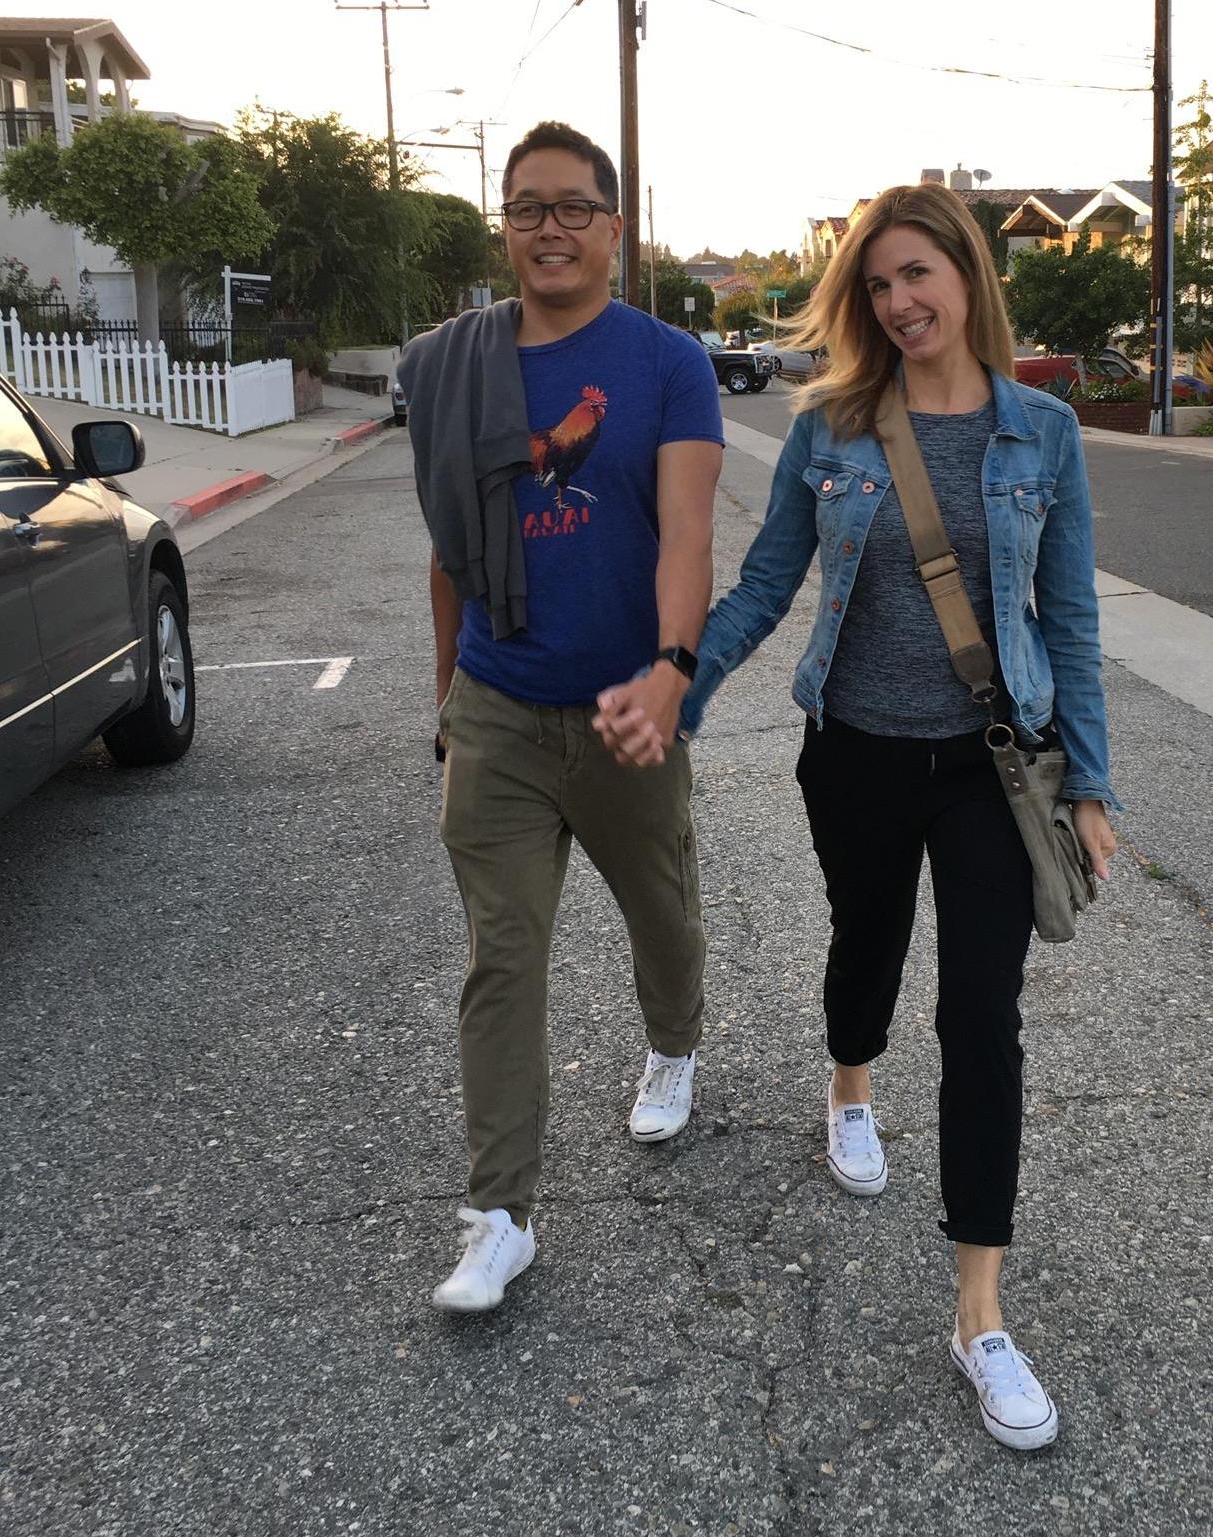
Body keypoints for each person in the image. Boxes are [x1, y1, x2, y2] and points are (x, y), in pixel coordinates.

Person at [595, 182, 1118, 1450]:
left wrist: (1091, 780)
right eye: (877, 284)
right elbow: (771, 576)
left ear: (966, 276)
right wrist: (681, 679)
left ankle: (978, 1312)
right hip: (858, 752)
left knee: (981, 1016)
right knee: (866, 942)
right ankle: (847, 1086)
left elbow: (1072, 618)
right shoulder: (833, 425)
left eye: (917, 275)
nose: (898, 302)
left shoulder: (1042, 432)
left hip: (995, 765)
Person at [403, 121, 724, 1313]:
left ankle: (674, 1042)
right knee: (502, 954)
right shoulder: (449, 366)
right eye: (528, 205)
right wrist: (446, 698)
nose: (550, 225)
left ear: (612, 226)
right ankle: (501, 1212)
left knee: (662, 912)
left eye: (573, 206)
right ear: (505, 224)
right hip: (497, 705)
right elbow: (447, 554)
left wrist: (673, 670)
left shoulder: (665, 361)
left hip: (625, 708)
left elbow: (687, 533)